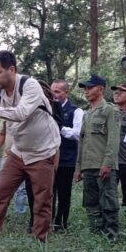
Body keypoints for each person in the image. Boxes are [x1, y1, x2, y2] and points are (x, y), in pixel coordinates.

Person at [0, 50, 60, 242]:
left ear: (12, 69)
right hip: (18, 152)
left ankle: (40, 239)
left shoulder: (30, 85)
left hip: (43, 151)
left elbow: (20, 113)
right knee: (0, 194)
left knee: (42, 199)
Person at [74, 75, 120, 239]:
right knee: (91, 203)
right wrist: (78, 168)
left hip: (103, 166)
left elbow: (113, 140)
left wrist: (107, 164)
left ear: (100, 89)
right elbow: (82, 142)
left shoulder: (110, 110)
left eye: (89, 88)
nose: (86, 91)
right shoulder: (86, 114)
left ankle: (111, 237)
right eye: (85, 88)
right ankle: (97, 236)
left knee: (108, 203)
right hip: (88, 166)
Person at [51, 80, 83, 230]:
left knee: (64, 192)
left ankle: (61, 223)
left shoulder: (76, 111)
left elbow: (77, 134)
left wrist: (60, 128)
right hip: (49, 158)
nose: (54, 95)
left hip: (67, 158)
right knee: (49, 192)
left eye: (57, 91)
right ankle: (48, 220)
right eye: (52, 91)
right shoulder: (48, 109)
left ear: (66, 92)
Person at [0, 120, 30, 216]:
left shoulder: (28, 112)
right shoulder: (6, 114)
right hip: (7, 156)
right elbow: (1, 134)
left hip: (23, 156)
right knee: (2, 187)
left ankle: (20, 212)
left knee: (22, 188)